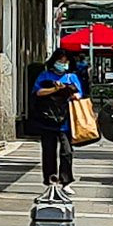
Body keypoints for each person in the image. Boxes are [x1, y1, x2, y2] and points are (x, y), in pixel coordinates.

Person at [33, 51, 82, 193]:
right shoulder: (45, 76)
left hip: (65, 119)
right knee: (49, 151)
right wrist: (54, 89)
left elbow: (79, 93)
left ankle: (66, 180)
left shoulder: (71, 77)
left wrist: (71, 93)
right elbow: (37, 92)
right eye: (60, 61)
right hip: (47, 118)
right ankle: (50, 179)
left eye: (65, 61)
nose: (63, 64)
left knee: (67, 151)